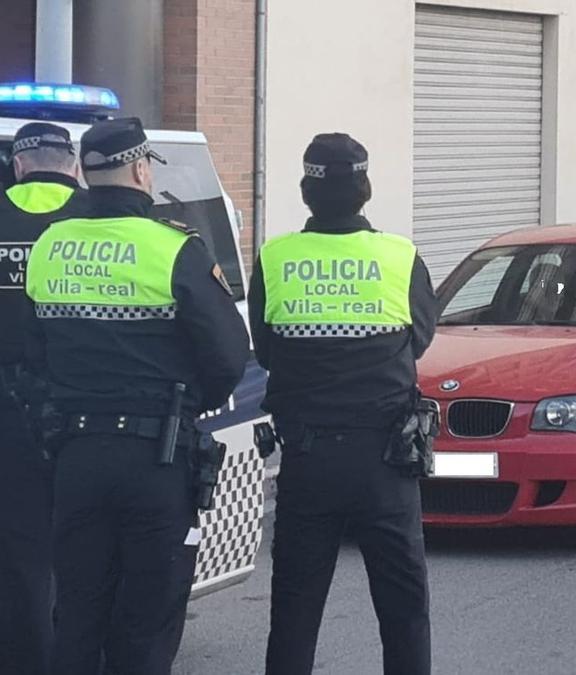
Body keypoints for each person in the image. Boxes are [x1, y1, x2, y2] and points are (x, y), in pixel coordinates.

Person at [22, 117, 249, 675]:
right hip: (156, 456)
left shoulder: (52, 244)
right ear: (143, 169)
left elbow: (32, 348)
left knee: (77, 611)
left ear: (85, 174)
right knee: (146, 618)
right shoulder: (174, 248)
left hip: (74, 456)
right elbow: (228, 356)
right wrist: (189, 401)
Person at [250, 133, 437, 675]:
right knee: (404, 610)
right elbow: (419, 339)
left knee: (294, 611)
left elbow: (265, 349)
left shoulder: (277, 257)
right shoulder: (399, 256)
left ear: (306, 191)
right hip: (387, 459)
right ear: (365, 188)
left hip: (308, 459)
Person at [0, 123, 88, 675]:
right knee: (92, 552)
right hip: (92, 412)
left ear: (18, 167)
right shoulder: (104, 221)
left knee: (22, 553)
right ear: (74, 166)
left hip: (9, 414)